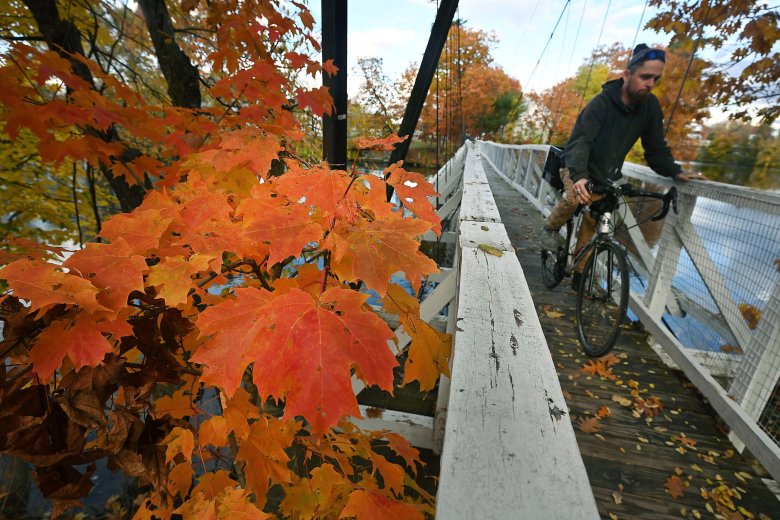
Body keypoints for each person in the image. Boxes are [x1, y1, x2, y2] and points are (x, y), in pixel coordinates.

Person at [539, 43, 706, 287]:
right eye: (645, 77)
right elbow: (580, 143)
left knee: (594, 220)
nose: (650, 84)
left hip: (606, 175)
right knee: (575, 198)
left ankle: (579, 273)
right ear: (627, 74)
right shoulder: (601, 104)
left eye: (655, 79)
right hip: (576, 167)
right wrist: (579, 177)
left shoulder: (649, 107)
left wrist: (676, 171)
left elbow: (656, 149)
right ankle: (550, 228)